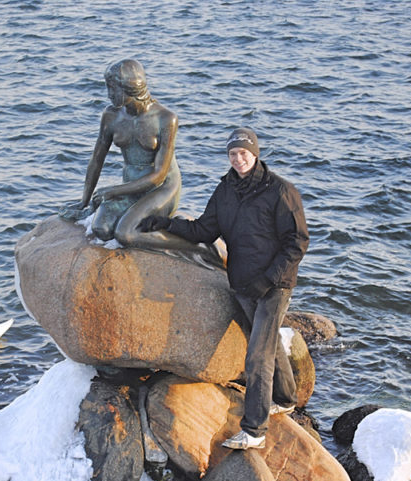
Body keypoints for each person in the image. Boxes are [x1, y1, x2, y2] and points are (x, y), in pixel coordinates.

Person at [138, 127, 309, 449]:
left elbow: (297, 243)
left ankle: (254, 431)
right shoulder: (226, 190)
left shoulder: (281, 191)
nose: (238, 159)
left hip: (274, 285)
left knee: (257, 355)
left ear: (255, 154)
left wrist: (268, 279)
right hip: (243, 283)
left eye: (243, 153)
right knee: (268, 344)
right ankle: (286, 397)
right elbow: (204, 229)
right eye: (233, 154)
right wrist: (166, 224)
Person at [59, 59, 221, 266]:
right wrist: (84, 200)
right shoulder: (111, 115)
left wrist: (114, 191)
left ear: (130, 87)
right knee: (102, 229)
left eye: (112, 88)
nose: (108, 94)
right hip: (131, 186)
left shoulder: (166, 118)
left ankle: (198, 247)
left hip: (162, 188)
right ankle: (162, 228)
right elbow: (96, 159)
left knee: (125, 234)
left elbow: (159, 176)